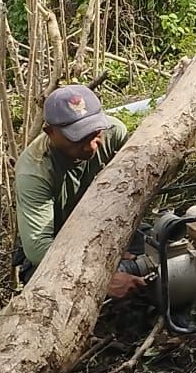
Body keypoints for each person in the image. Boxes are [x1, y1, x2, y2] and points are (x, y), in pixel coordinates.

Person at [14, 84, 146, 299]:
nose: (91, 146)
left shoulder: (114, 134)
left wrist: (117, 244)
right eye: (78, 138)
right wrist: (99, 277)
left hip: (103, 227)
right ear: (51, 132)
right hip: (57, 245)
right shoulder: (34, 172)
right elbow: (38, 247)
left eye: (95, 134)